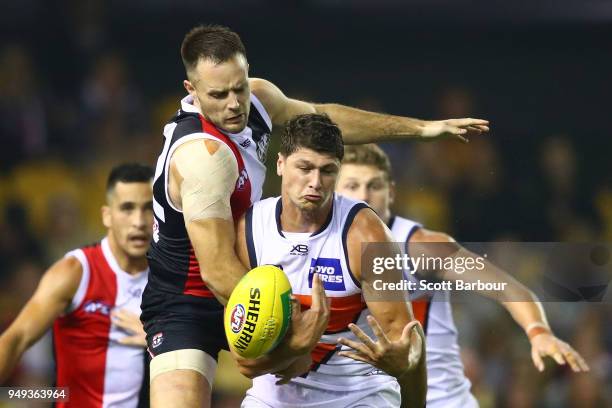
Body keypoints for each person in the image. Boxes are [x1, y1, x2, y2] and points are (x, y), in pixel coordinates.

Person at [141, 23, 488, 408]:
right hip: (187, 299)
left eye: (239, 87)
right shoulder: (202, 158)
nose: (235, 104)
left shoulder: (258, 99)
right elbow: (217, 270)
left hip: (249, 273)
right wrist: (292, 342)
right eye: (218, 95)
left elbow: (326, 119)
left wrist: (421, 129)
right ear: (192, 91)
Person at [335, 144, 590, 408]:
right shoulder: (319, 248)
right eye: (352, 185)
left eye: (374, 185)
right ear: (335, 192)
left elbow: (506, 288)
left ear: (392, 193)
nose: (364, 195)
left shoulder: (420, 247)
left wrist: (538, 332)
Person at [233, 114, 425, 408]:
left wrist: (404, 359)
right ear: (281, 163)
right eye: (305, 168)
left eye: (327, 171)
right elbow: (245, 363)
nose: (315, 183)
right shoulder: (249, 231)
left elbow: (406, 338)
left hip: (361, 392)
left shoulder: (368, 235)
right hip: (276, 394)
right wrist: (296, 349)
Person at [0, 163, 154, 408]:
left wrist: (156, 338)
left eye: (148, 209)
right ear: (107, 215)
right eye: (127, 208)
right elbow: (17, 339)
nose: (138, 221)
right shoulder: (75, 272)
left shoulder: (169, 279)